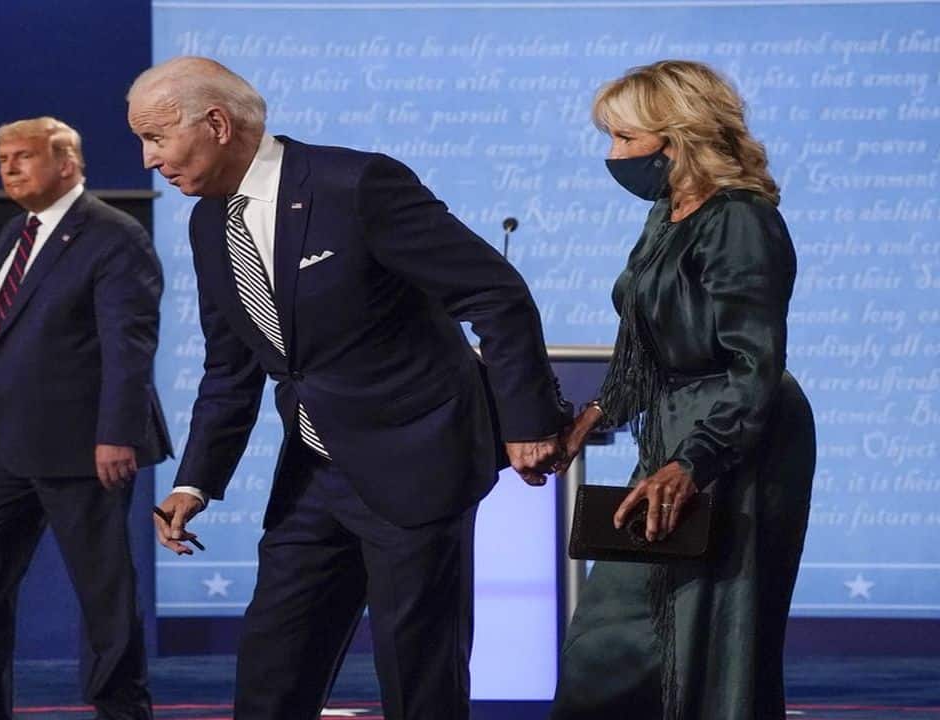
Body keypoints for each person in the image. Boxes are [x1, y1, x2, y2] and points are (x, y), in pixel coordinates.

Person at [129, 56, 570, 720]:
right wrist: (195, 482)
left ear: (216, 124)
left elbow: (496, 294)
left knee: (418, 685)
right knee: (271, 676)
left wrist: (527, 423)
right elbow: (231, 368)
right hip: (313, 473)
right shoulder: (208, 223)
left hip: (417, 462)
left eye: (155, 137)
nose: (148, 159)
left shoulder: (357, 185)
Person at [549, 60, 817, 720]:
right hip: (675, 432)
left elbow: (755, 363)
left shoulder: (740, 220)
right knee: (609, 643)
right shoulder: (666, 214)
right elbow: (646, 348)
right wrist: (594, 415)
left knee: (711, 634)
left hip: (736, 438)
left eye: (625, 138)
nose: (614, 156)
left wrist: (692, 464)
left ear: (680, 137)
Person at [0, 117, 172, 720]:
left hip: (84, 446)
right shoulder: (16, 233)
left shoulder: (114, 234)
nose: (9, 169)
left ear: (67, 162)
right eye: (2, 159)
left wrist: (117, 433)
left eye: (23, 156)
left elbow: (129, 345)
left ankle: (121, 711)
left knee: (102, 592)